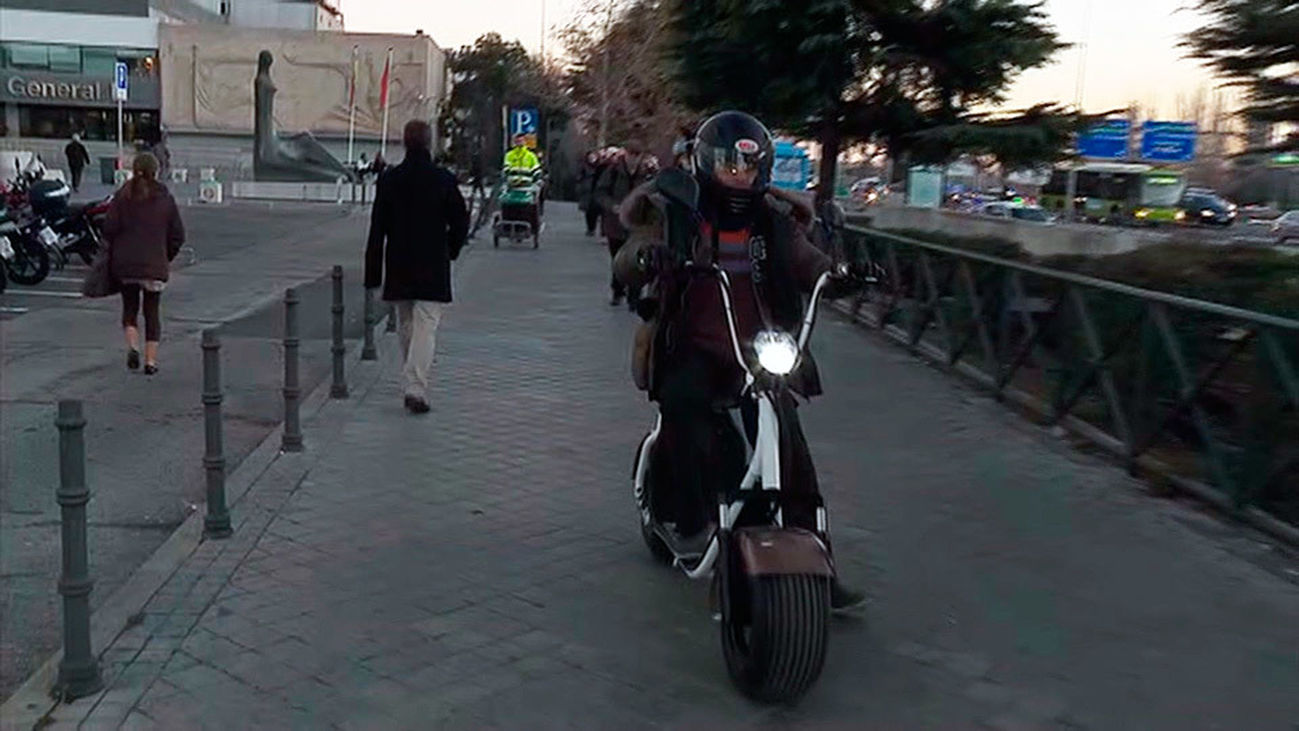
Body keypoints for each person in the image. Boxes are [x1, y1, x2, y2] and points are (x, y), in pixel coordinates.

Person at [613, 111, 864, 610]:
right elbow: (632, 253)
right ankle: (690, 521)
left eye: (749, 168)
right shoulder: (678, 211)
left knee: (790, 442)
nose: (739, 176)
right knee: (687, 411)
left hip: (758, 352)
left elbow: (805, 258)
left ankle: (819, 562)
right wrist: (648, 260)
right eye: (730, 166)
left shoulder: (772, 220)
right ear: (709, 163)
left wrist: (838, 273)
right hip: (693, 342)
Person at [364, 120, 469, 415]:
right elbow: (460, 220)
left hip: (399, 261)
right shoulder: (443, 179)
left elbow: (377, 229)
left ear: (404, 143)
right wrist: (451, 248)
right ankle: (416, 386)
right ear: (428, 143)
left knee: (407, 324)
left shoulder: (390, 180)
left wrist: (373, 272)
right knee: (426, 326)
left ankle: (412, 380)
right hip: (433, 262)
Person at [102, 152, 185, 376]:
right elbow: (178, 235)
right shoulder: (165, 197)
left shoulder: (123, 195)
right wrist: (165, 255)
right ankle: (150, 362)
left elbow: (108, 228)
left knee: (130, 308)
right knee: (152, 312)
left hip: (126, 265)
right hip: (154, 265)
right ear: (156, 171)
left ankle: (132, 346)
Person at [596, 138, 657, 307]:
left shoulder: (647, 173)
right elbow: (600, 192)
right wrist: (612, 205)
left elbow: (654, 194)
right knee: (617, 259)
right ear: (625, 153)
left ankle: (634, 295)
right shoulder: (613, 170)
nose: (634, 158)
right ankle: (617, 290)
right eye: (631, 154)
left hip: (638, 223)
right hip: (615, 222)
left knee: (637, 259)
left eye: (637, 155)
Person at [577, 150, 603, 236]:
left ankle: (593, 227)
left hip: (596, 189)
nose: (592, 158)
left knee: (595, 210)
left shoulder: (599, 166)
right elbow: (579, 176)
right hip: (587, 190)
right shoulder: (584, 166)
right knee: (588, 211)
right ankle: (590, 228)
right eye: (591, 157)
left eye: (594, 157)